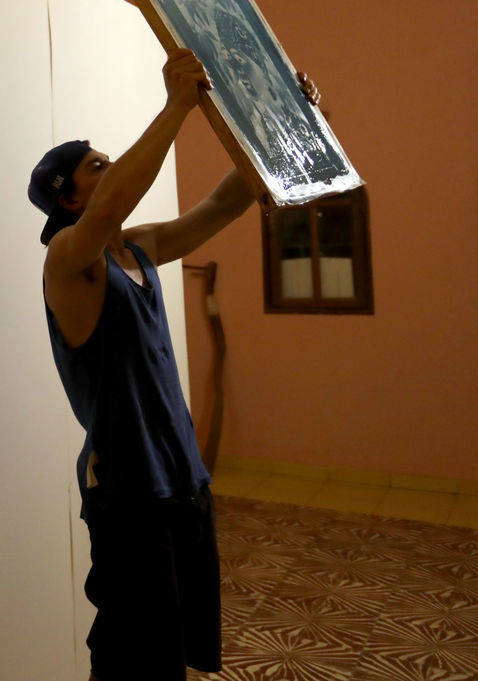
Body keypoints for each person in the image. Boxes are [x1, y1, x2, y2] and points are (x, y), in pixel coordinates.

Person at [28, 49, 318, 681]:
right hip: (129, 490)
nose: (112, 169)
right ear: (67, 198)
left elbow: (224, 204)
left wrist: (282, 119)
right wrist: (175, 106)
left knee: (174, 647)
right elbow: (105, 211)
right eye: (97, 166)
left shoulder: (139, 248)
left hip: (181, 475)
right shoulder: (66, 262)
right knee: (134, 652)